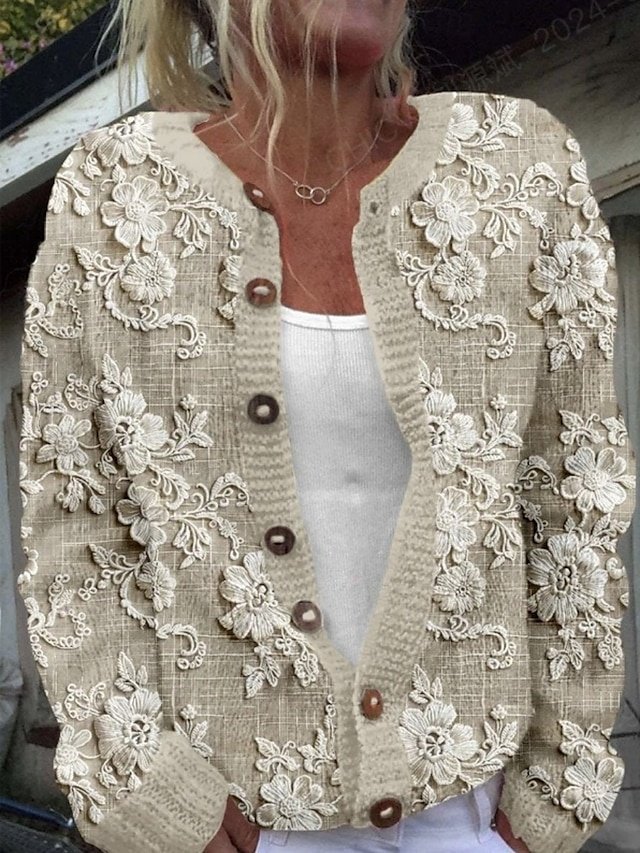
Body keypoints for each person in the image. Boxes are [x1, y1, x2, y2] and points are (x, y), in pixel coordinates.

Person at [17, 1, 634, 852]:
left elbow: (575, 496)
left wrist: (552, 795)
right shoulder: (114, 194)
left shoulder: (519, 166)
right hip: (228, 819)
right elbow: (73, 521)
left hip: (475, 815)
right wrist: (147, 791)